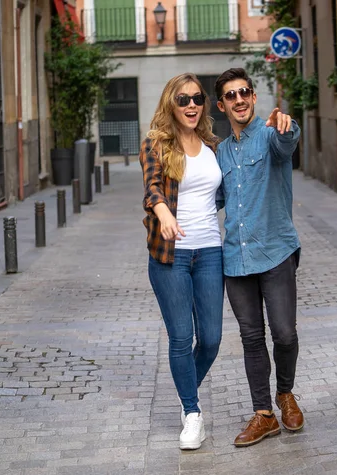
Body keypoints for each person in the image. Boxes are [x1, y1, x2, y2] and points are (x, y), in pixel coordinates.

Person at [214, 68, 304, 447]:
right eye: (231, 95)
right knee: (251, 338)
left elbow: (288, 141)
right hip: (236, 259)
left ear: (253, 96)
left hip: (275, 251)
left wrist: (287, 125)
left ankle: (286, 393)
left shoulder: (270, 136)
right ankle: (264, 414)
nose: (239, 99)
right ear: (221, 105)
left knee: (284, 333)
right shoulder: (219, 151)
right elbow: (214, 201)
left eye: (244, 92)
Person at [139, 73, 223, 450]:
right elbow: (152, 185)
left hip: (210, 252)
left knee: (212, 339)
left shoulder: (212, 145)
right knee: (180, 338)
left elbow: (224, 193)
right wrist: (163, 213)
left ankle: (184, 389)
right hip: (170, 255)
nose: (192, 105)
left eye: (197, 99)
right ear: (170, 104)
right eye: (183, 99)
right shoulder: (156, 143)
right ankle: (192, 414)